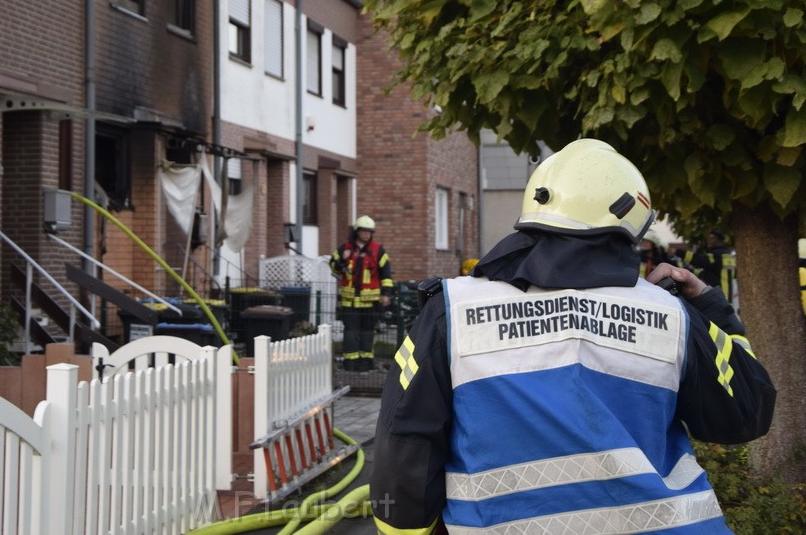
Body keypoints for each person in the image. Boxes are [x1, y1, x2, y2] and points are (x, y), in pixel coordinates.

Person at [371, 139, 775, 534]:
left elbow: (406, 440)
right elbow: (746, 413)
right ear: (632, 220)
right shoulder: (673, 316)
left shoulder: (453, 310)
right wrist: (708, 305)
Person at [330, 215, 394, 371]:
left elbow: (386, 274)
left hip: (370, 301)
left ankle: (366, 362)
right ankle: (350, 362)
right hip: (349, 300)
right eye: (363, 231)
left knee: (367, 332)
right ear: (357, 232)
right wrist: (342, 261)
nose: (366, 234)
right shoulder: (345, 249)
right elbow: (333, 266)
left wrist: (385, 294)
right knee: (351, 332)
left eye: (369, 232)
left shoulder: (378, 250)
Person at [684, 230, 737, 302]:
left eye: (712, 238)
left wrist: (678, 252)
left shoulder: (716, 255)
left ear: (719, 240)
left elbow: (700, 261)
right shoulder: (728, 254)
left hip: (717, 295)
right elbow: (714, 273)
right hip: (727, 296)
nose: (709, 241)